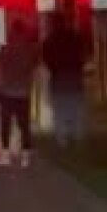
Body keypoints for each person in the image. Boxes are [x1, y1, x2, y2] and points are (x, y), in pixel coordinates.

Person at [0, 19, 39, 167]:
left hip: (7, 91)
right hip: (23, 92)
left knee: (6, 124)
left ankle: (6, 155)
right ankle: (25, 156)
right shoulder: (29, 49)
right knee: (24, 124)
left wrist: (0, 84)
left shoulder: (5, 49)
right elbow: (34, 66)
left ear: (11, 31)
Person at [43, 14, 87, 148]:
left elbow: (47, 60)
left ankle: (62, 141)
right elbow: (82, 55)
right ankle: (78, 137)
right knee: (76, 110)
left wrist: (54, 69)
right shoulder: (75, 37)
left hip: (59, 80)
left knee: (59, 111)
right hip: (75, 78)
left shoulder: (49, 41)